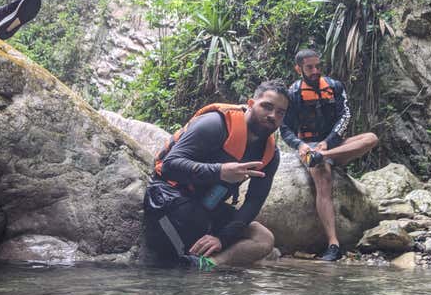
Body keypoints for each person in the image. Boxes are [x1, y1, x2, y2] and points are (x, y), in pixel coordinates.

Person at [142, 80, 289, 270]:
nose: (272, 116)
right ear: (251, 104)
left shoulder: (270, 155)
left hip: (208, 204)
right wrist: (220, 172)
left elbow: (254, 201)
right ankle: (182, 264)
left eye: (280, 113)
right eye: (267, 107)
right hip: (170, 194)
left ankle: (208, 263)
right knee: (193, 221)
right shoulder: (215, 124)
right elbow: (170, 165)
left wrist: (222, 238)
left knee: (263, 238)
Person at [280, 48, 378, 261]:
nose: (315, 71)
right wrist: (300, 146)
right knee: (323, 178)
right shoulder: (294, 93)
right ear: (299, 69)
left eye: (318, 66)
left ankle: (324, 156)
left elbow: (345, 116)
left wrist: (327, 144)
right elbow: (285, 128)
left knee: (371, 138)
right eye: (309, 67)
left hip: (334, 145)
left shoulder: (334, 87)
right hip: (310, 148)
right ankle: (333, 244)